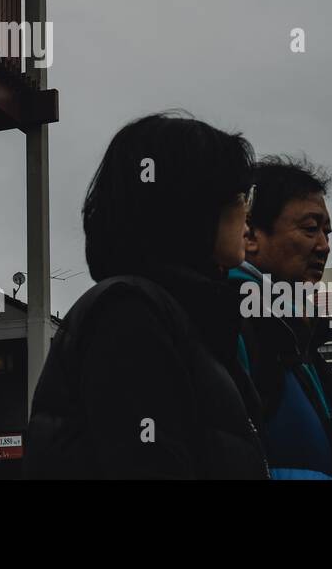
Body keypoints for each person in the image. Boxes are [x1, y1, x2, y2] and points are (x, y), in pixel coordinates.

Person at [25, 112, 268, 479]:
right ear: (191, 205)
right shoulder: (129, 315)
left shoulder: (186, 317)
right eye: (239, 195)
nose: (247, 211)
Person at [232, 155, 332, 479]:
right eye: (310, 229)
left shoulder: (296, 334)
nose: (324, 246)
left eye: (327, 232)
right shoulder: (234, 326)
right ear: (249, 234)